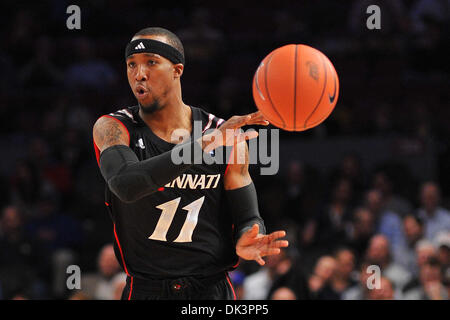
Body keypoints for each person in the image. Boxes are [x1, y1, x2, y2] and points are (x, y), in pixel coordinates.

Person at [92, 27, 288, 300]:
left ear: (177, 69)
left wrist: (248, 237)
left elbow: (247, 216)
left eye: (151, 62)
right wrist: (203, 145)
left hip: (210, 290)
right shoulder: (113, 127)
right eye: (131, 65)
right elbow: (126, 184)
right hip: (146, 289)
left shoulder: (225, 136)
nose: (139, 74)